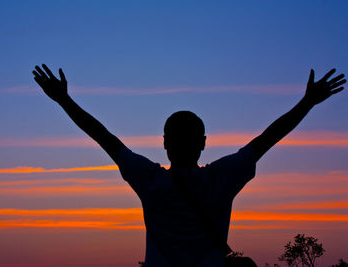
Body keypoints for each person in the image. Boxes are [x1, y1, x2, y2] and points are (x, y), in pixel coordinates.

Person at [32, 65, 345, 267]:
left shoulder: (150, 180)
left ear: (165, 142)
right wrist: (307, 103)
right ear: (204, 143)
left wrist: (64, 100)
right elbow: (268, 138)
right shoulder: (222, 178)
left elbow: (104, 137)